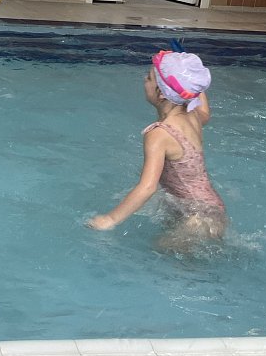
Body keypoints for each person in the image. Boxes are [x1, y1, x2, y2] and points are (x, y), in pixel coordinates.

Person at [88, 50, 226, 249]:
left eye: (149, 78)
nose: (144, 80)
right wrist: (192, 83)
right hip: (209, 210)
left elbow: (147, 187)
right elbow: (205, 111)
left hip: (197, 220)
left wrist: (109, 219)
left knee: (162, 251)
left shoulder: (159, 134)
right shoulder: (193, 116)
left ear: (161, 93)